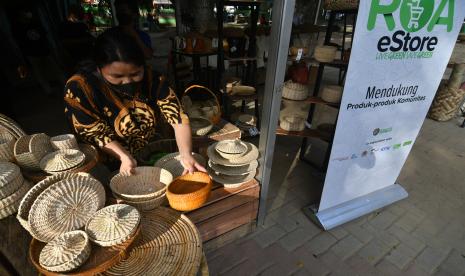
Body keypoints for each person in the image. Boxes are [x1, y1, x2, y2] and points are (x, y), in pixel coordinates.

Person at [64, 28, 205, 175]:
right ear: (99, 68)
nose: (127, 81)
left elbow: (178, 118)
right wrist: (124, 156)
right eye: (117, 76)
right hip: (108, 157)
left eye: (136, 74)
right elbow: (95, 134)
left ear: (143, 65)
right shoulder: (80, 88)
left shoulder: (153, 79)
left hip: (146, 148)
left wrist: (186, 154)